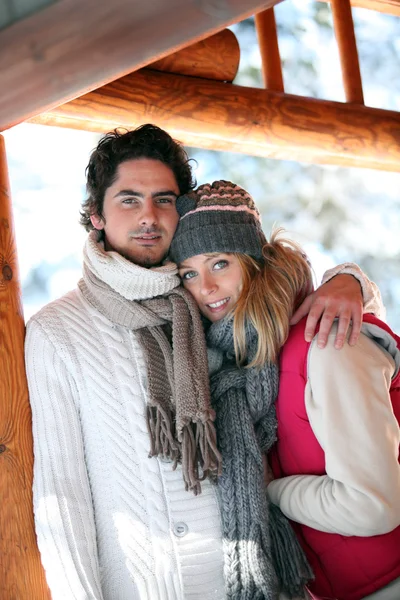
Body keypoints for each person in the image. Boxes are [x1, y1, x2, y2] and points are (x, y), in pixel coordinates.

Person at [25, 126, 382, 600]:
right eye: (129, 200)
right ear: (96, 215)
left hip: (256, 578)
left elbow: (278, 281)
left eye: (165, 199)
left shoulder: (200, 303)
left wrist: (350, 280)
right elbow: (61, 494)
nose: (149, 216)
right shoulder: (58, 330)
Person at [169, 179, 400, 600]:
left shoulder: (325, 340)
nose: (205, 287)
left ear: (253, 262)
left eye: (219, 263)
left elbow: (372, 509)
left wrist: (269, 490)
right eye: (189, 272)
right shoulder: (246, 367)